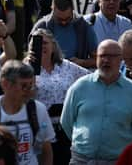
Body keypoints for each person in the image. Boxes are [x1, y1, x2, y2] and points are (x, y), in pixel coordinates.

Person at [61, 40, 132, 164]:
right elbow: (66, 121)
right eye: (102, 56)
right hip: (82, 160)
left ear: (121, 60)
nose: (106, 60)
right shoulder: (80, 87)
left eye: (112, 56)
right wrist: (84, 143)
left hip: (119, 161)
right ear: (96, 59)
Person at [25, 28, 90, 165]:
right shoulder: (25, 69)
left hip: (66, 127)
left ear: (53, 46)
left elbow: (90, 80)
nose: (41, 46)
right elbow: (24, 96)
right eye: (36, 43)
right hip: (40, 127)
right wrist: (30, 71)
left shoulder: (66, 66)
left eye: (45, 43)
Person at [32, 0, 97, 68]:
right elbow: (32, 59)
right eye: (59, 19)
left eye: (68, 19)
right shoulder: (41, 27)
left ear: (73, 10)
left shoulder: (84, 26)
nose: (64, 22)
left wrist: (82, 63)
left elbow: (97, 59)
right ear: (52, 10)